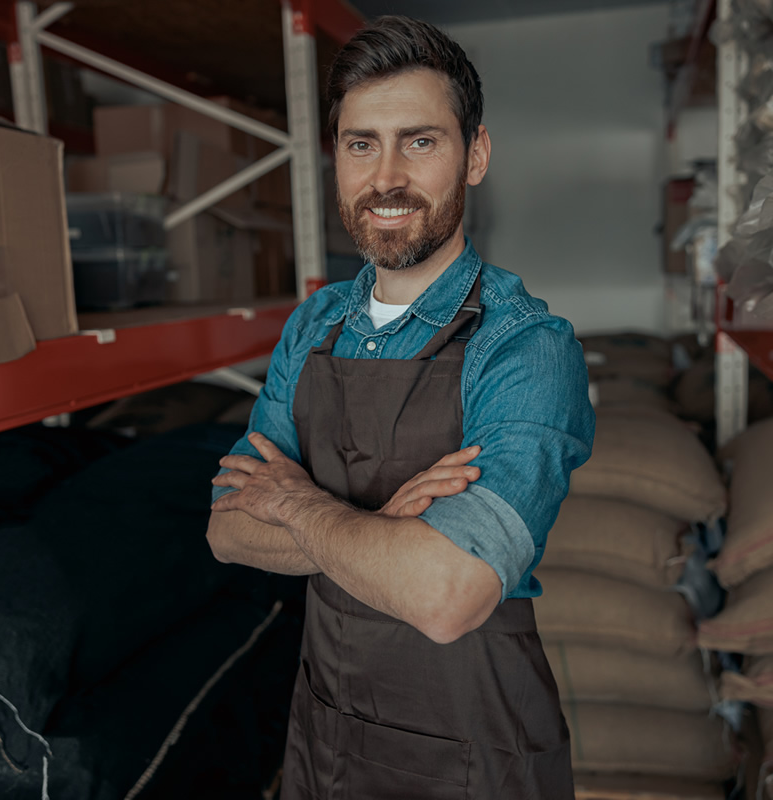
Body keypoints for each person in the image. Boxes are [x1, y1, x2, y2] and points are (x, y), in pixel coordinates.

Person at [207, 15, 594, 799]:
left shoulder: (525, 349)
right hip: (327, 737)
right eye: (361, 144)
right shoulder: (313, 327)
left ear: (475, 154)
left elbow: (447, 596)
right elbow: (227, 529)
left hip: (473, 755)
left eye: (420, 141)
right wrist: (388, 526)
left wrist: (300, 505)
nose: (386, 177)